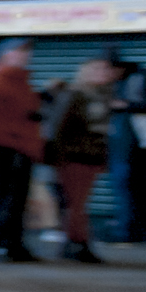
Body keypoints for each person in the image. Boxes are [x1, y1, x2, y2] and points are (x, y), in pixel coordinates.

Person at [0, 40, 44, 263]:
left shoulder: (20, 80)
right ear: (5, 55)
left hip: (22, 147)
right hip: (12, 148)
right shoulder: (0, 80)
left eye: (26, 52)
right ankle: (9, 244)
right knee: (12, 198)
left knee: (13, 197)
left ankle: (7, 242)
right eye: (19, 52)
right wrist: (10, 141)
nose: (25, 56)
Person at [47, 58, 116, 264]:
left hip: (91, 157)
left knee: (79, 203)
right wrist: (57, 156)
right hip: (74, 156)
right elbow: (59, 125)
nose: (102, 72)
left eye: (105, 69)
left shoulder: (103, 95)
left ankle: (74, 243)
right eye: (97, 68)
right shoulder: (75, 94)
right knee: (75, 203)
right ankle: (77, 243)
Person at [103, 46, 146, 245]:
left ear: (119, 67)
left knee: (127, 185)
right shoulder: (109, 82)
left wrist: (126, 105)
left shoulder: (139, 78)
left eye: (111, 70)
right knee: (126, 186)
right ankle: (131, 228)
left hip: (133, 143)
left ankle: (127, 232)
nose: (108, 75)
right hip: (115, 143)